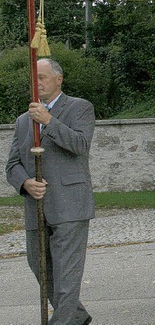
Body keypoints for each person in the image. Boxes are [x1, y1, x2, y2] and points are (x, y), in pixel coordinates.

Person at [6, 58, 95, 325]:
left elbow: (80, 144)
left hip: (69, 205)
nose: (38, 83)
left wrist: (49, 120)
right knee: (41, 270)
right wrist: (25, 183)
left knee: (66, 277)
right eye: (34, 78)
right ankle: (76, 316)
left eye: (43, 77)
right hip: (37, 206)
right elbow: (12, 164)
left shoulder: (80, 107)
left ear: (59, 79)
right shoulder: (24, 120)